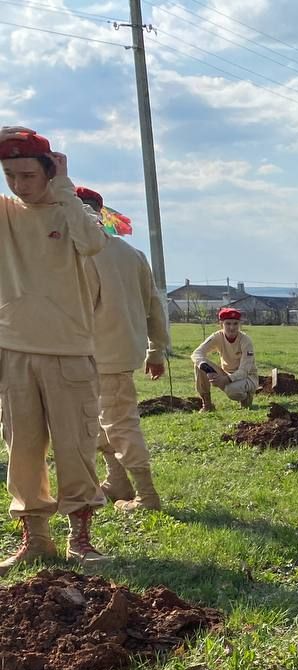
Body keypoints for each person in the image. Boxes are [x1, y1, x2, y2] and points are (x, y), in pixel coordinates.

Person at [0, 128, 109, 570]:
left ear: (50, 171)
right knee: (22, 448)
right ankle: (35, 538)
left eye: (27, 174)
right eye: (9, 175)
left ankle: (80, 538)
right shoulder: (5, 212)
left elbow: (94, 242)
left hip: (68, 350)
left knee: (75, 445)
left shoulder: (73, 212)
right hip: (14, 349)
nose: (18, 185)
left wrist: (64, 187)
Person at [76, 187, 169, 511]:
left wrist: (156, 350)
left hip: (100, 355)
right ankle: (117, 480)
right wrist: (156, 350)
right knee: (94, 422)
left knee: (119, 423)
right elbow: (155, 305)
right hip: (109, 353)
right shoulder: (132, 253)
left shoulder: (82, 254)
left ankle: (146, 495)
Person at [192, 307, 258, 411]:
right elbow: (197, 353)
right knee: (199, 365)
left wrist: (225, 379)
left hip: (246, 378)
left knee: (232, 390)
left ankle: (246, 398)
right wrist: (207, 369)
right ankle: (207, 404)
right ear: (221, 324)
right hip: (225, 374)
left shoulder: (246, 340)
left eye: (235, 324)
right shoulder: (217, 336)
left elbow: (244, 371)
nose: (232, 327)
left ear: (240, 324)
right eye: (228, 323)